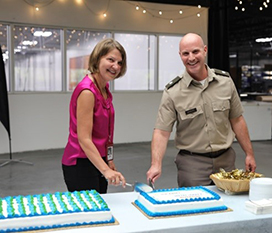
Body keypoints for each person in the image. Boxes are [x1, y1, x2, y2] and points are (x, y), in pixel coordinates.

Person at [146, 33, 256, 187]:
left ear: (205, 50)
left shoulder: (225, 82)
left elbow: (237, 120)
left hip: (226, 161)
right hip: (192, 164)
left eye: (195, 51)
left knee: (229, 208)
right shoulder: (173, 91)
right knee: (195, 208)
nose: (191, 58)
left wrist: (249, 154)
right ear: (180, 56)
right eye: (186, 53)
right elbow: (162, 131)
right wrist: (155, 164)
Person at [62, 38, 127, 193]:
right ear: (98, 59)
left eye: (119, 62)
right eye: (110, 60)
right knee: (91, 213)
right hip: (80, 163)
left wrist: (108, 160)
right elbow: (84, 139)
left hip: (97, 159)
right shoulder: (87, 91)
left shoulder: (104, 89)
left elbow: (106, 132)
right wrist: (105, 170)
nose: (115, 66)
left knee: (101, 207)